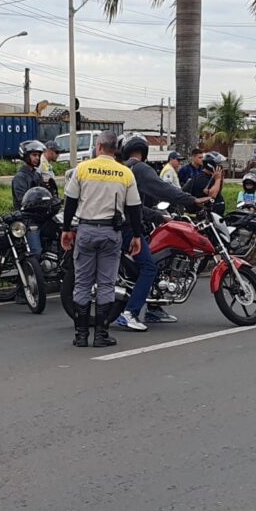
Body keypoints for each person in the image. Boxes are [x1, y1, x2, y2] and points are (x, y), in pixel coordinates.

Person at [114, 133, 210, 332]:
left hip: (121, 224)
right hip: (128, 229)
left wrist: (161, 217)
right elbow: (162, 189)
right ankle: (130, 313)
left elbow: (134, 206)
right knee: (149, 267)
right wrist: (190, 200)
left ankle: (154, 308)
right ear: (144, 150)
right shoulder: (138, 168)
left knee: (159, 259)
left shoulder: (123, 169)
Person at [61, 131, 143, 348]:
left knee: (82, 283)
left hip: (86, 230)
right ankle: (101, 335)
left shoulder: (83, 169)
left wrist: (66, 229)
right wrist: (136, 235)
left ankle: (80, 335)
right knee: (106, 283)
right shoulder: (125, 173)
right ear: (115, 149)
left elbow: (70, 202)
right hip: (110, 233)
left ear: (98, 147)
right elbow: (135, 208)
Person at [12, 140, 47, 258]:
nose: (37, 158)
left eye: (39, 155)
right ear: (26, 156)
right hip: (27, 220)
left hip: (40, 217)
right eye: (34, 155)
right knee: (35, 252)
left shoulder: (36, 175)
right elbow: (23, 200)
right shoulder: (20, 177)